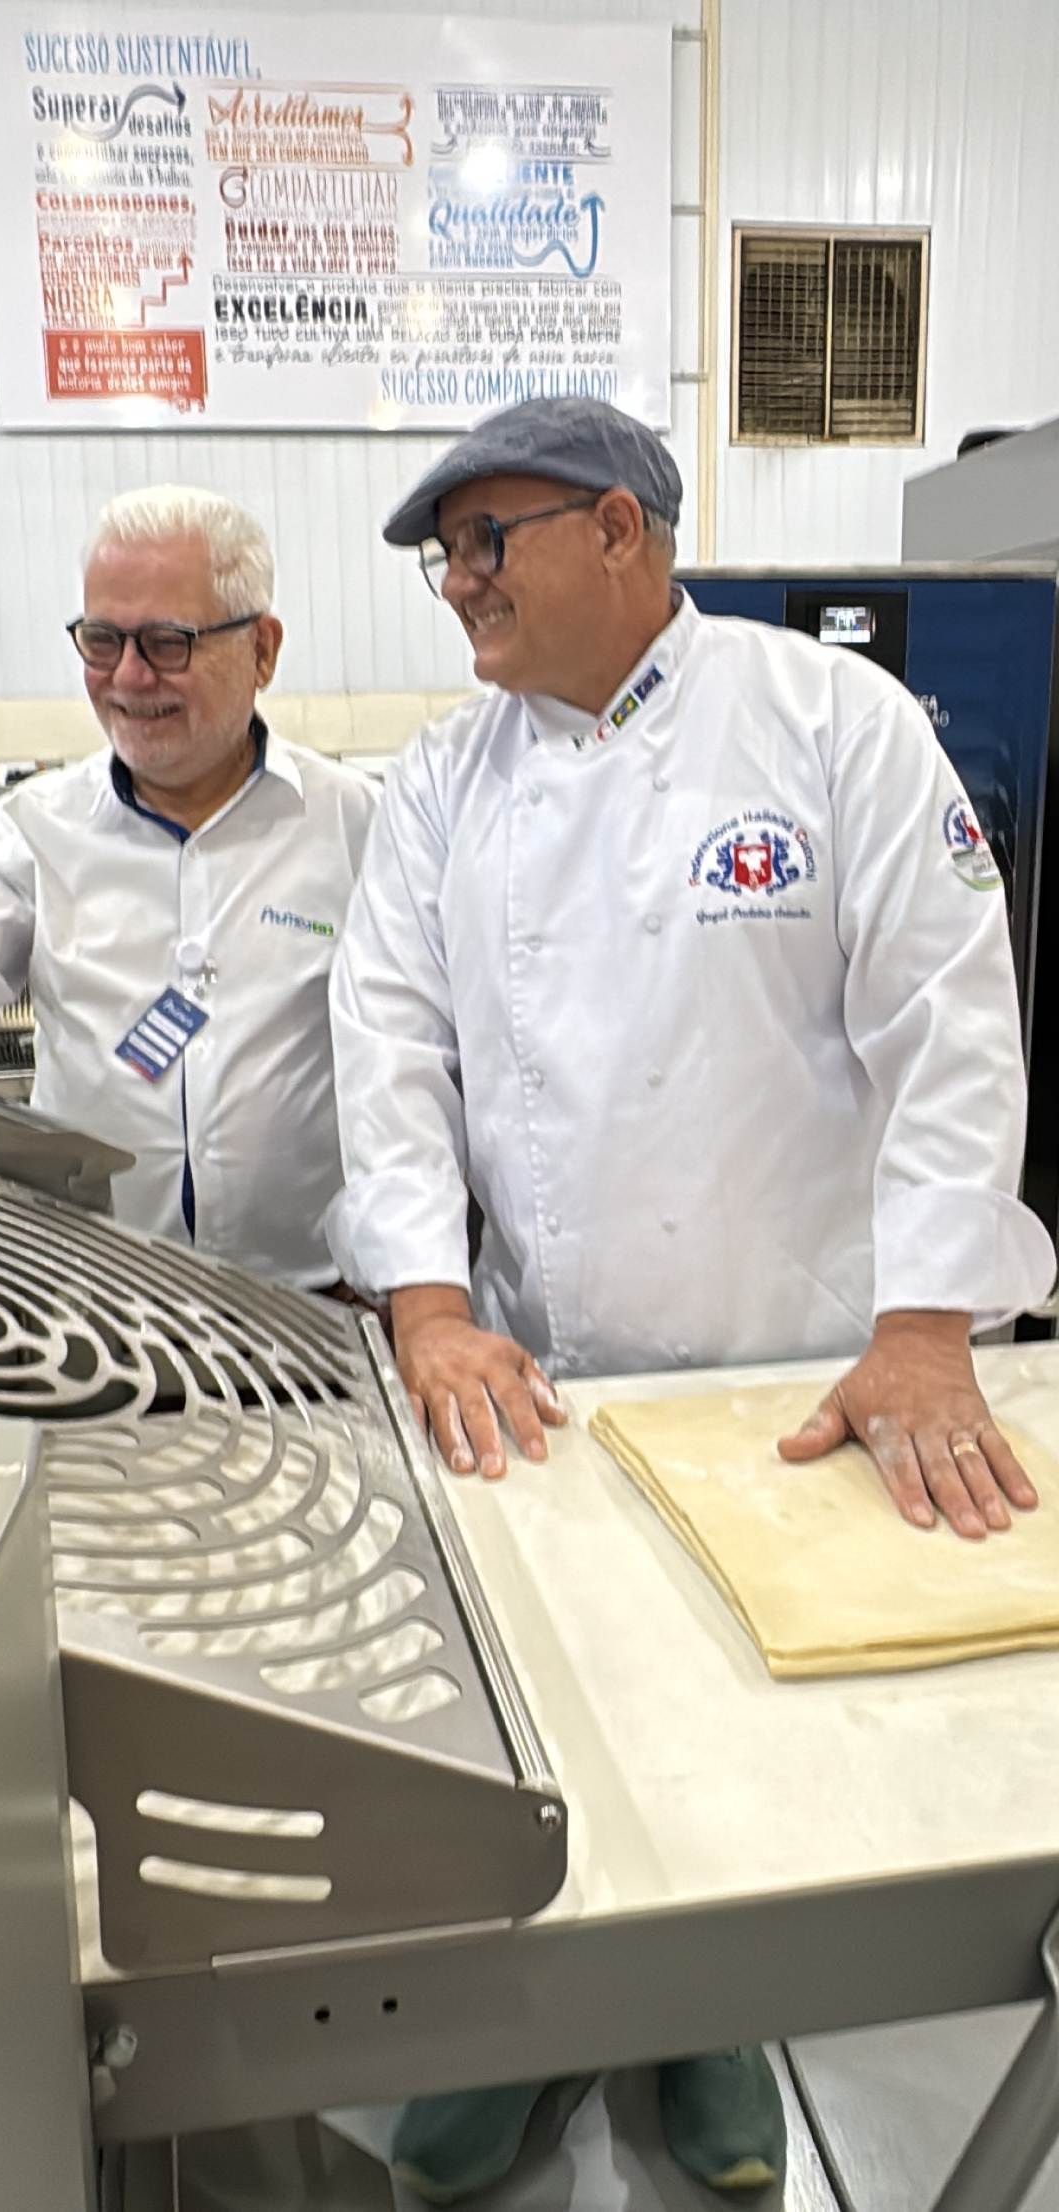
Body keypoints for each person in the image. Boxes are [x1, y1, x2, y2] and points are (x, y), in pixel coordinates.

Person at [326, 397, 1056, 2201]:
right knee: (550, 1728)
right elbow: (388, 1044)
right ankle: (528, 2029)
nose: (460, 589)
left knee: (744, 1758)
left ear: (624, 534)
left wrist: (927, 1323)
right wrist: (425, 1301)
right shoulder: (440, 783)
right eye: (447, 557)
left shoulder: (834, 727)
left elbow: (950, 1030)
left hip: (790, 1363)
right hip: (545, 1361)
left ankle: (706, 2026)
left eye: (488, 542)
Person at [0, 484, 378, 1289]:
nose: (128, 677)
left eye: (167, 643)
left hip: (315, 1301)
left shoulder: (355, 824)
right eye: (102, 640)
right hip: (94, 1301)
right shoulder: (38, 827)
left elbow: (416, 1063)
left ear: (262, 650)